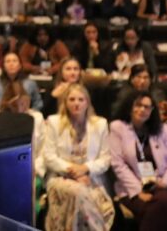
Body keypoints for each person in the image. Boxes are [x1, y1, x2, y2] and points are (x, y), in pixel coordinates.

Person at [43, 84, 115, 231]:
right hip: (60, 177)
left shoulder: (100, 124)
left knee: (87, 195)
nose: (76, 103)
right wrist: (73, 171)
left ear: (87, 102)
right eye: (72, 99)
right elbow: (49, 156)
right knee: (79, 192)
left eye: (81, 99)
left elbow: (106, 158)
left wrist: (85, 169)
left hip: (91, 178)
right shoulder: (54, 122)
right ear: (66, 102)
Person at [109, 90, 167, 231]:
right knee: (157, 208)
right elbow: (118, 164)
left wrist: (165, 183)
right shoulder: (118, 127)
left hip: (163, 184)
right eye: (138, 105)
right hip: (132, 187)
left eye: (147, 106)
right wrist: (138, 192)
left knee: (165, 201)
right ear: (130, 106)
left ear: (152, 110)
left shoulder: (163, 129)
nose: (142, 109)